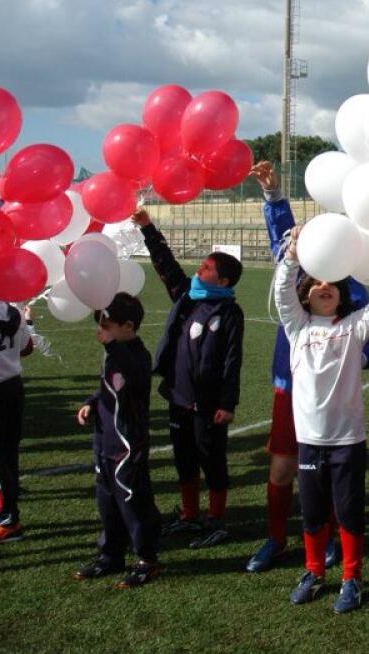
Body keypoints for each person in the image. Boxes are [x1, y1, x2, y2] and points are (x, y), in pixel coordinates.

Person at [245, 161, 369, 574]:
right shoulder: (302, 268)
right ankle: (276, 538)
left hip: (336, 393)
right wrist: (273, 197)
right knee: (285, 464)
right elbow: (283, 243)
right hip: (292, 385)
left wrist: (360, 357)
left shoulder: (355, 278)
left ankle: (333, 546)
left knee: (338, 477)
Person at [275, 225, 369, 614]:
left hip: (347, 441)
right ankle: (313, 572)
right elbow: (281, 291)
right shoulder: (297, 328)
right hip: (310, 440)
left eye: (332, 283)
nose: (324, 286)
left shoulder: (353, 328)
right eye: (316, 282)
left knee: (349, 512)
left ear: (342, 295)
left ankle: (351, 578)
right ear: (305, 294)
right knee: (311, 513)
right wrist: (292, 256)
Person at [131, 208, 244, 549]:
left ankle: (217, 519)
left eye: (208, 268)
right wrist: (149, 228)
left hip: (210, 404)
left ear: (222, 281)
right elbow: (165, 264)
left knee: (212, 459)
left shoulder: (229, 312)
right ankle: (190, 515)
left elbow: (231, 359)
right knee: (184, 459)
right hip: (179, 396)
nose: (199, 269)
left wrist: (227, 403)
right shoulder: (187, 296)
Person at [74, 293, 163, 588]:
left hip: (127, 444)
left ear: (128, 326)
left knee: (133, 502)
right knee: (107, 503)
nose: (102, 331)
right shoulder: (113, 353)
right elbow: (109, 387)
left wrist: (112, 345)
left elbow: (132, 377)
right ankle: (110, 554)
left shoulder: (137, 354)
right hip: (104, 440)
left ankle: (146, 560)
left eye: (108, 325)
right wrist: (91, 402)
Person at [0, 297, 34, 543]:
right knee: (8, 453)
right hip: (13, 387)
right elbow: (26, 347)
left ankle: (6, 518)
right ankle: (6, 513)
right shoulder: (14, 312)